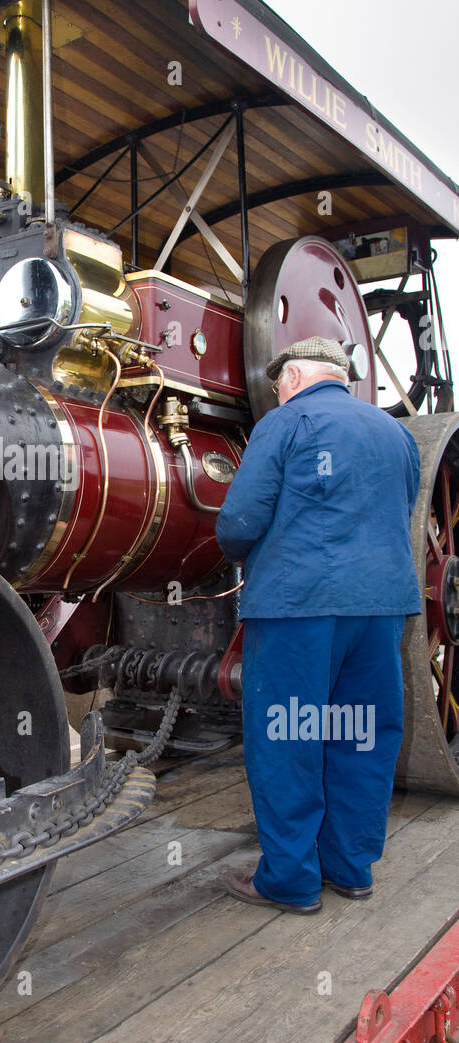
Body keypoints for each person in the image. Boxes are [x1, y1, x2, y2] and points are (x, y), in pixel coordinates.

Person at [215, 336, 421, 914]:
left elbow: (240, 518)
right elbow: (399, 510)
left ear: (297, 376)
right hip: (381, 609)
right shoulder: (395, 432)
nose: (277, 391)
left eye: (279, 382)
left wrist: (235, 551)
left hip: (297, 606)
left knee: (287, 737)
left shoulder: (286, 422)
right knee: (363, 733)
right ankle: (350, 868)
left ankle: (290, 879)